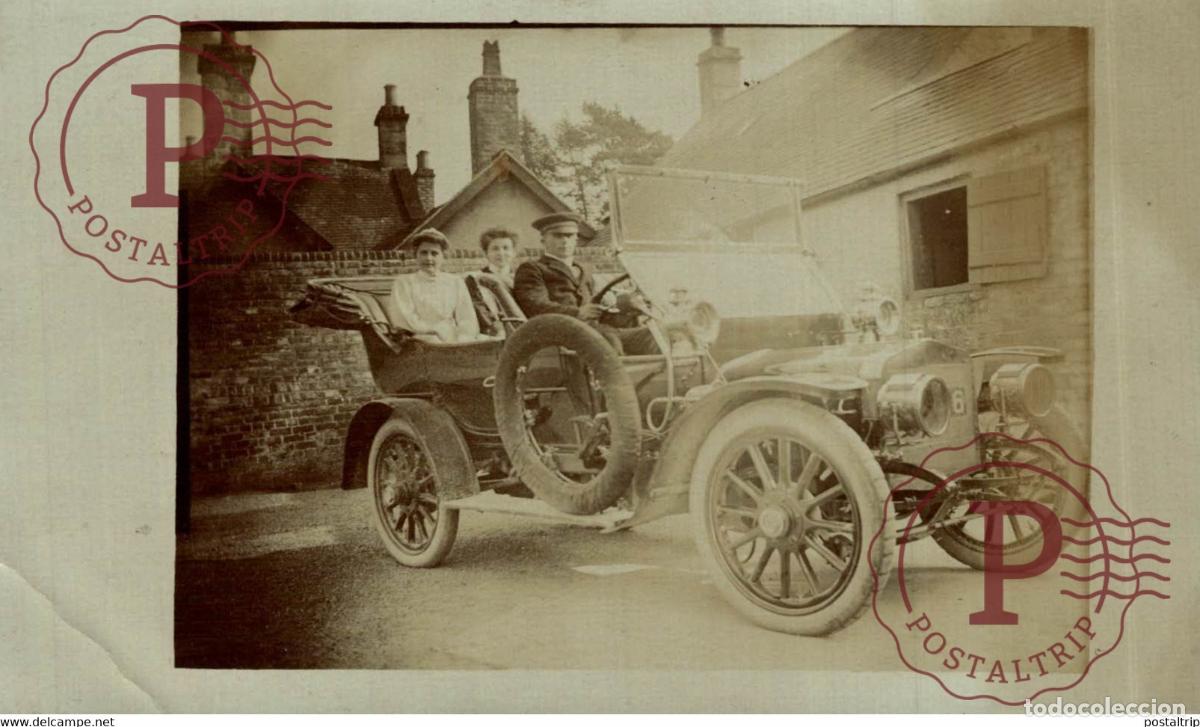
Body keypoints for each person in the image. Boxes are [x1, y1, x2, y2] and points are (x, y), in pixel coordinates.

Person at [513, 212, 658, 355]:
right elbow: (535, 307)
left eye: (569, 236)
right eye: (557, 235)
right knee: (609, 341)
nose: (564, 241)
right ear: (543, 240)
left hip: (596, 330)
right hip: (559, 335)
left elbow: (595, 309)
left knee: (653, 335)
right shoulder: (532, 269)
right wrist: (578, 313)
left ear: (576, 238)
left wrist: (627, 308)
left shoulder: (583, 269)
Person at [389, 229, 481, 343]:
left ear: (443, 256)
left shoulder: (455, 282)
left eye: (434, 253)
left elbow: (467, 317)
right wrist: (433, 331)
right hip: (421, 339)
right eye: (423, 252)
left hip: (453, 336)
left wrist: (464, 337)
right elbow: (404, 318)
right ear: (415, 255)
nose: (429, 258)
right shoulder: (404, 282)